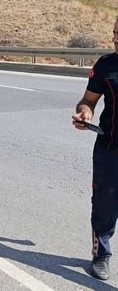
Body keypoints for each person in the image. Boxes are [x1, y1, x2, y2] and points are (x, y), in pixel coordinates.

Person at [72, 17, 118, 281]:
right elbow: (87, 101)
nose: (115, 39)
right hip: (109, 149)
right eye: (114, 33)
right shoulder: (106, 66)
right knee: (104, 205)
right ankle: (101, 254)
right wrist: (84, 115)